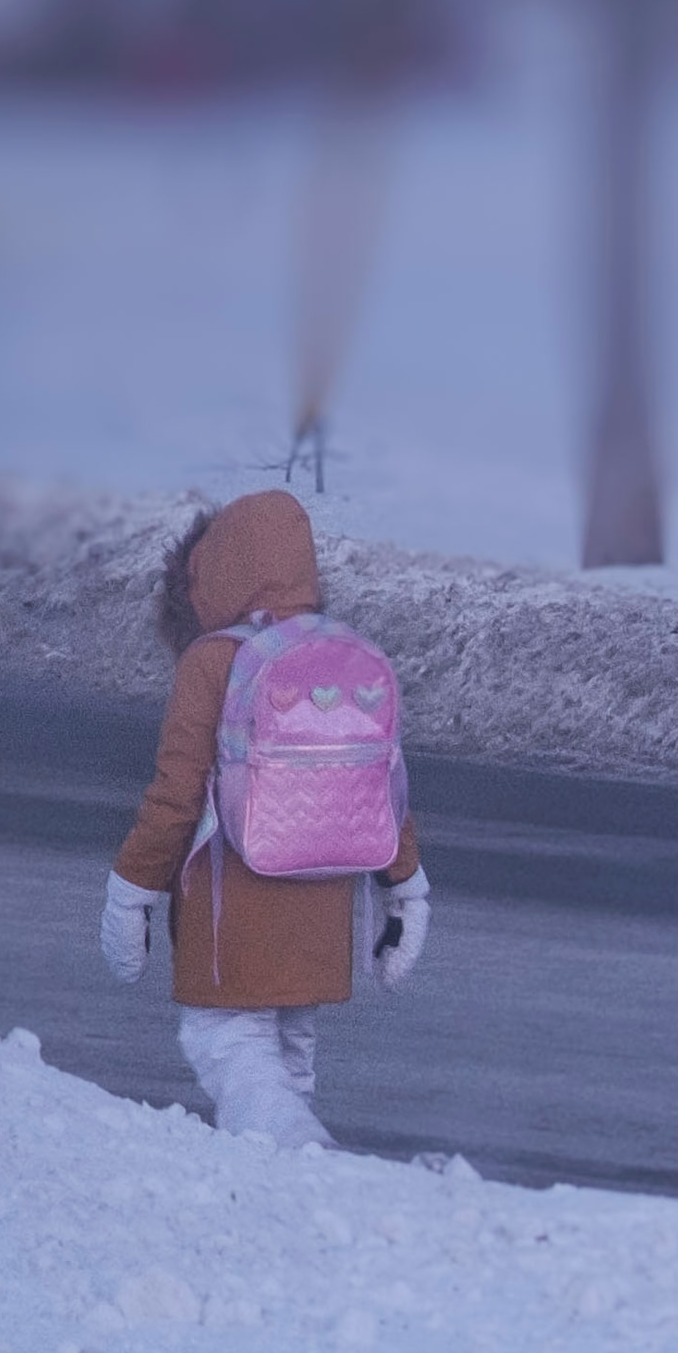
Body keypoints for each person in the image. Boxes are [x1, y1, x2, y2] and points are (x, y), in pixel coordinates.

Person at [100, 489, 427, 1145]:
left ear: (211, 570)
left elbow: (176, 798)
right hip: (324, 909)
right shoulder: (341, 653)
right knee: (289, 1052)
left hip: (234, 904)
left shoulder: (211, 661)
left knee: (226, 1040)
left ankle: (300, 1151)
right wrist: (407, 887)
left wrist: (129, 894)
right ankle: (288, 1187)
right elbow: (382, 784)